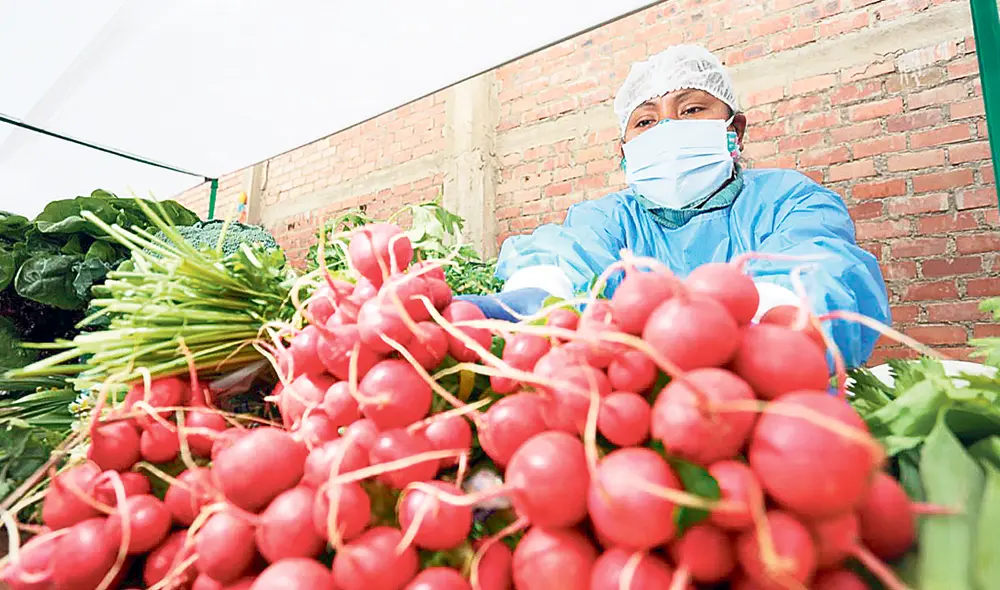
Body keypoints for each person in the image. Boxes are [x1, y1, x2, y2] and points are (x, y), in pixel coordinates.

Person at [457, 44, 890, 368]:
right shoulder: (607, 220)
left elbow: (821, 265)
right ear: (624, 150)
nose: (667, 129)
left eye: (692, 108)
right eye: (645, 121)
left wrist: (766, 328)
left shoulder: (789, 200)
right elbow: (567, 254)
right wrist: (538, 294)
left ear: (734, 129)